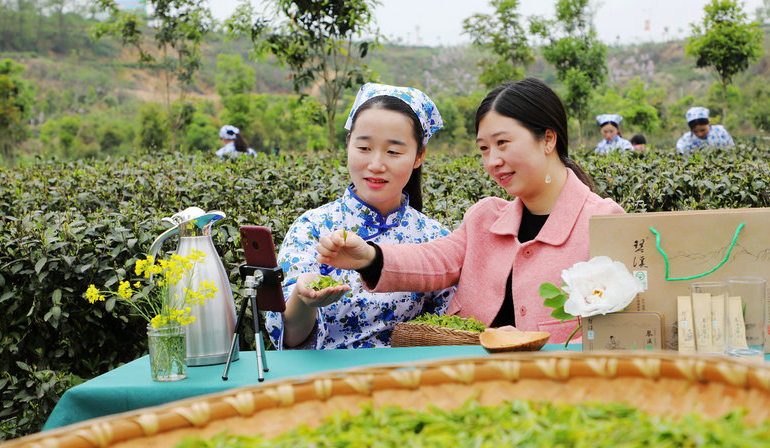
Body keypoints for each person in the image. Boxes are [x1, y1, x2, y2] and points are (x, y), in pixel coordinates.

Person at [316, 78, 626, 344]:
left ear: (547, 139)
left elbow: (625, 327)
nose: (493, 161)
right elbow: (432, 260)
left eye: (502, 143)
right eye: (484, 148)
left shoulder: (603, 222)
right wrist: (369, 257)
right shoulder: (485, 218)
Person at [265, 83, 455, 350]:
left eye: (393, 152)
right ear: (348, 144)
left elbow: (450, 330)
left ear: (419, 155)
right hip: (325, 384)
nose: (376, 165)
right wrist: (302, 298)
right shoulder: (312, 228)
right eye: (364, 148)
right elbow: (288, 338)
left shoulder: (435, 239)